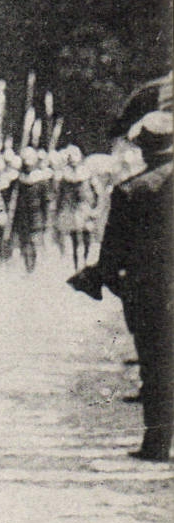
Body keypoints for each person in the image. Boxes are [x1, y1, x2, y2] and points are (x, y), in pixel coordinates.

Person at [71, 111, 173, 460]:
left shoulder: (130, 191)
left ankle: (158, 445)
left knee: (157, 365)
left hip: (152, 294)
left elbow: (112, 257)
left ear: (143, 147)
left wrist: (101, 279)